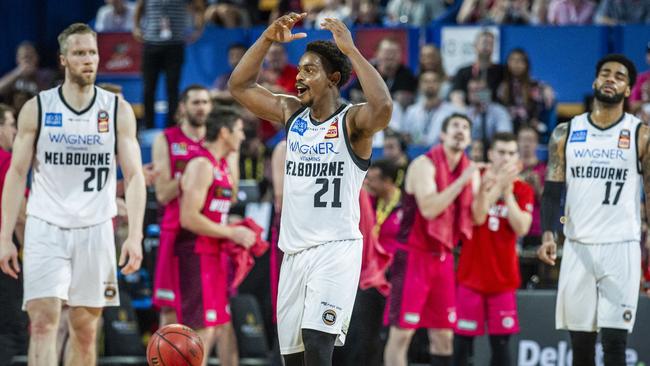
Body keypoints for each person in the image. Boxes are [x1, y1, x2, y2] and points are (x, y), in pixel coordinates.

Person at [229, 12, 392, 366]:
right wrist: (267, 38)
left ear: (333, 78)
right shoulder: (292, 115)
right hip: (293, 255)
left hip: (335, 250)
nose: (299, 76)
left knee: (318, 346)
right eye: (299, 69)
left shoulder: (352, 122)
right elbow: (239, 87)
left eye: (310, 70)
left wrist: (352, 51)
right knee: (294, 359)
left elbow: (383, 108)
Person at [0, 23, 146, 366]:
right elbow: (16, 174)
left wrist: (135, 235)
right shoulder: (37, 108)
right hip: (45, 226)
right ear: (63, 59)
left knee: (85, 330)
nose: (88, 59)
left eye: (92, 52)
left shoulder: (116, 110)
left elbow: (136, 176)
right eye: (79, 53)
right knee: (42, 323)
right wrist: (5, 236)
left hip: (95, 228)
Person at [538, 54, 648, 365]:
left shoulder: (640, 134)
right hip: (577, 245)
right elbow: (552, 193)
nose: (611, 79)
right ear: (595, 82)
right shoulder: (566, 132)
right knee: (581, 346)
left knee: (615, 343)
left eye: (620, 76)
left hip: (621, 245)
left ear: (628, 90)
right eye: (605, 73)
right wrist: (550, 233)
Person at [384, 113, 480, 366]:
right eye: (455, 126)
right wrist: (462, 181)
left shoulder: (469, 170)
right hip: (413, 255)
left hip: (443, 257)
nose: (460, 130)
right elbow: (429, 209)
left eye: (465, 127)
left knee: (444, 337)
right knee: (402, 334)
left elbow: (478, 217)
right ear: (443, 135)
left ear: (470, 138)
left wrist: (495, 186)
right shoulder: (423, 165)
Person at [178, 107, 253, 366]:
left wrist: (232, 226)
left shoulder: (219, 164)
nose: (243, 137)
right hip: (198, 254)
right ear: (224, 132)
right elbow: (188, 217)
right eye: (240, 130)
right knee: (202, 329)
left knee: (220, 326)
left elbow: (218, 208)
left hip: (215, 254)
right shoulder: (201, 165)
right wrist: (232, 232)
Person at [454, 132, 533, 366]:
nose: (506, 158)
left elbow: (522, 228)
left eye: (511, 153)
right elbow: (477, 217)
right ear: (490, 154)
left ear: (517, 156)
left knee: (501, 347)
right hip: (471, 278)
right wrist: (498, 186)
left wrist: (507, 195)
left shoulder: (522, 189)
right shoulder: (475, 179)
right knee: (461, 347)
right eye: (501, 152)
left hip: (503, 281)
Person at [151, 85, 212, 326]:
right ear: (183, 107)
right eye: (196, 102)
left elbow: (233, 189)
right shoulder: (166, 139)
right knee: (170, 310)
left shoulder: (217, 139)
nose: (201, 107)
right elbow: (163, 193)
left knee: (213, 316)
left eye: (205, 102)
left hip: (208, 235)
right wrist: (193, 174)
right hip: (175, 234)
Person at [133, 0, 205, 129]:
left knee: (172, 89)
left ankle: (172, 126)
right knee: (148, 88)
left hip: (175, 46)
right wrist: (136, 27)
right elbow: (139, 7)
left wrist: (198, 29)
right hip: (151, 44)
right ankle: (148, 125)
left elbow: (199, 7)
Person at [0, 104, 27, 366]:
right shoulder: (8, 161)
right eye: (10, 124)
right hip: (4, 260)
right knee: (10, 330)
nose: (15, 131)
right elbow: (21, 215)